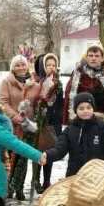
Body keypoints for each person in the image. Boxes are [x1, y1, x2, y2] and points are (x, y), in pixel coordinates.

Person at [44, 92, 104, 177]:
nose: (85, 111)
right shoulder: (70, 129)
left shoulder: (101, 127)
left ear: (93, 108)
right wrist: (47, 155)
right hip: (75, 175)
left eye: (88, 107)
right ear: (76, 110)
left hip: (97, 178)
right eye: (81, 108)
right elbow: (60, 149)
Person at [0, 54, 39, 200]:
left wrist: (32, 120)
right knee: (10, 157)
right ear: (12, 68)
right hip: (11, 126)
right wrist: (15, 117)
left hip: (28, 126)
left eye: (23, 64)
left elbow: (36, 105)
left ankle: (20, 187)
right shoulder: (7, 82)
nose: (21, 67)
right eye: (17, 65)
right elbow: (3, 102)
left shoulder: (35, 84)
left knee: (24, 157)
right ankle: (8, 186)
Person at [63, 43, 104, 128]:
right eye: (91, 55)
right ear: (87, 58)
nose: (93, 58)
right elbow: (69, 102)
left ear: (102, 58)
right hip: (81, 123)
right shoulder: (77, 77)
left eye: (96, 56)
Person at [33, 53, 64, 191]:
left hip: (53, 122)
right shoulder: (38, 82)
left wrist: (53, 114)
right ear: (43, 66)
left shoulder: (58, 84)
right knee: (38, 151)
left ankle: (47, 180)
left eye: (53, 65)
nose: (51, 67)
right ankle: (36, 179)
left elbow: (60, 104)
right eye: (48, 65)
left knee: (49, 152)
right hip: (40, 122)